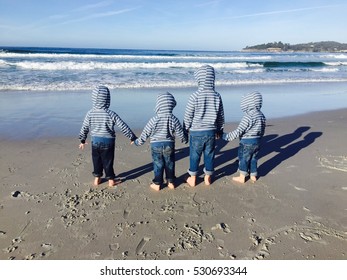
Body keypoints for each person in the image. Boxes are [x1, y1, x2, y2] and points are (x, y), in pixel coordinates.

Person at [79, 85, 137, 187]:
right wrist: (132, 137)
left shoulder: (90, 113)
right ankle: (111, 180)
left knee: (96, 160)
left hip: (95, 141)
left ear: (93, 99)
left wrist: (82, 140)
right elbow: (122, 126)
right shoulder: (111, 114)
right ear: (107, 100)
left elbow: (85, 127)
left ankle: (97, 178)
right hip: (108, 142)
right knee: (108, 161)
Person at [133, 92, 187, 191]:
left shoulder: (154, 120)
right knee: (169, 163)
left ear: (158, 106)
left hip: (156, 145)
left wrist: (137, 142)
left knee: (158, 164)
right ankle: (170, 182)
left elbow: (146, 132)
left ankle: (157, 183)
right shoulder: (174, 119)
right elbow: (180, 132)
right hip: (169, 145)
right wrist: (184, 139)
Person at [183, 64, 224, 187]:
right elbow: (220, 115)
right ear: (213, 79)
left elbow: (188, 115)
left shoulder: (194, 96)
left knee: (194, 155)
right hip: (211, 131)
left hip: (196, 132)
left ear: (199, 79)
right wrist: (219, 130)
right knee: (209, 154)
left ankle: (193, 178)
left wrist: (186, 129)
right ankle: (208, 177)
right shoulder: (217, 96)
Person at [222, 91, 266, 183]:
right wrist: (260, 137)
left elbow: (239, 130)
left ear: (247, 103)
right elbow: (262, 129)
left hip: (246, 142)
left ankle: (242, 177)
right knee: (254, 158)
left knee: (244, 159)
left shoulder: (248, 116)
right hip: (257, 141)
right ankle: (253, 175)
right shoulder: (261, 115)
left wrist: (227, 136)